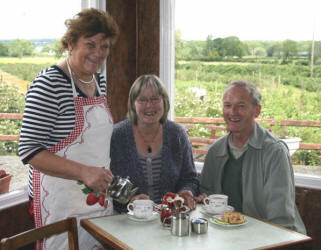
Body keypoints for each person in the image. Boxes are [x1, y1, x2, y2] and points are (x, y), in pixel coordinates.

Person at [18, 8, 119, 249]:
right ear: (71, 43)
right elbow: (29, 150)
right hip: (59, 204)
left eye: (104, 46)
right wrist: (84, 172)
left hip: (97, 200)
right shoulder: (49, 83)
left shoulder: (98, 80)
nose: (98, 53)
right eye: (90, 44)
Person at [198, 79, 306, 234]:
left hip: (271, 238)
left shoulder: (274, 152)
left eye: (241, 106)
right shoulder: (215, 151)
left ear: (257, 110)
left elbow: (281, 218)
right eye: (227, 105)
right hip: (227, 236)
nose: (232, 112)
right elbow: (207, 195)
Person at [110, 74, 199, 212]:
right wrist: (128, 200)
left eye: (155, 99)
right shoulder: (117, 135)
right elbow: (108, 183)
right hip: (127, 220)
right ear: (133, 104)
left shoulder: (177, 134)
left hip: (170, 219)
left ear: (164, 101)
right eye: (142, 100)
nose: (149, 106)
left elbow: (189, 178)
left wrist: (186, 192)